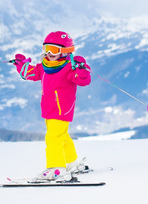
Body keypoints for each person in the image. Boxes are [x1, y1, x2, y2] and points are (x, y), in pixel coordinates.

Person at [13, 31, 91, 181]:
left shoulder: (69, 68)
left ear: (64, 51)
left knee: (53, 138)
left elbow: (82, 80)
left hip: (62, 109)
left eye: (54, 49)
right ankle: (72, 163)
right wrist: (22, 65)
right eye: (46, 48)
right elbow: (31, 73)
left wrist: (82, 69)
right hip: (49, 109)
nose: (49, 53)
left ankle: (56, 168)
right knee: (62, 136)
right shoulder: (44, 66)